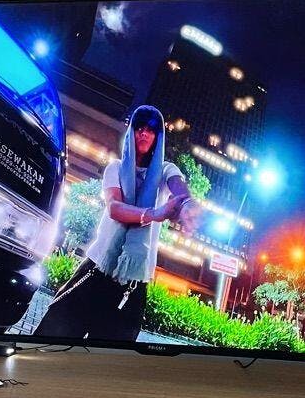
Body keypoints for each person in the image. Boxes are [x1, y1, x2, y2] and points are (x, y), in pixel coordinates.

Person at [35, 105, 192, 341]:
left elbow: (180, 190)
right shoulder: (116, 168)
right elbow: (115, 208)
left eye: (151, 129)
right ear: (131, 132)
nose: (144, 133)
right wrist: (155, 213)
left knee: (109, 356)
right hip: (97, 268)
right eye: (139, 127)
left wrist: (188, 205)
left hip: (133, 283)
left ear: (158, 137)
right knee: (50, 340)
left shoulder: (167, 170)